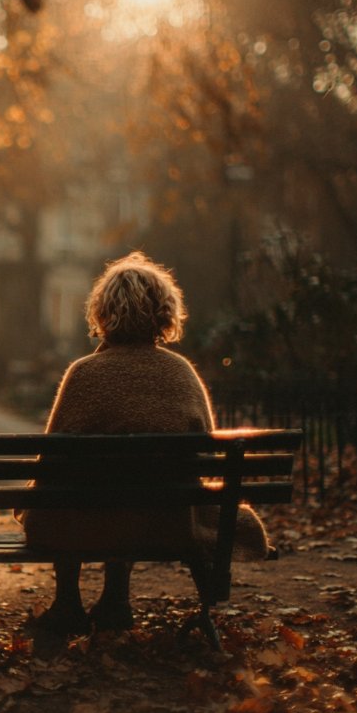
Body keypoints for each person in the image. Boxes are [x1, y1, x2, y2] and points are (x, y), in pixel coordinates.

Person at [19, 252, 273, 636]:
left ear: (102, 313)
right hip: (165, 521)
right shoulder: (182, 373)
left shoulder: (84, 374)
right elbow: (202, 459)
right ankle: (116, 598)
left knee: (64, 495)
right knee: (133, 495)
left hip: (87, 524)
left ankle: (68, 603)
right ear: (165, 313)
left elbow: (53, 460)